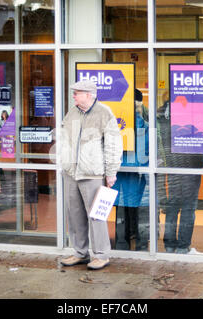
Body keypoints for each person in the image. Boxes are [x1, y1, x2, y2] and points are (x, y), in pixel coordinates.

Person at [59, 80, 123, 270]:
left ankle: (101, 255)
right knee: (75, 215)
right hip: (71, 172)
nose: (73, 96)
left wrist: (111, 172)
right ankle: (80, 253)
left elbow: (113, 145)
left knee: (96, 216)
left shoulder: (104, 113)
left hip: (92, 173)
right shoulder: (72, 113)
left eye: (76, 93)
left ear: (89, 95)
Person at [157, 99, 203, 255]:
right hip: (190, 166)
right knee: (188, 208)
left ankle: (170, 245)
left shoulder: (162, 117)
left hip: (172, 167)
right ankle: (183, 247)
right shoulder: (189, 115)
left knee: (172, 207)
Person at [113, 89, 149, 251]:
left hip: (119, 170)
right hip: (137, 172)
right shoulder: (144, 125)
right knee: (137, 207)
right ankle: (141, 244)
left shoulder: (116, 123)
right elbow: (149, 149)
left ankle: (122, 243)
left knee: (121, 207)